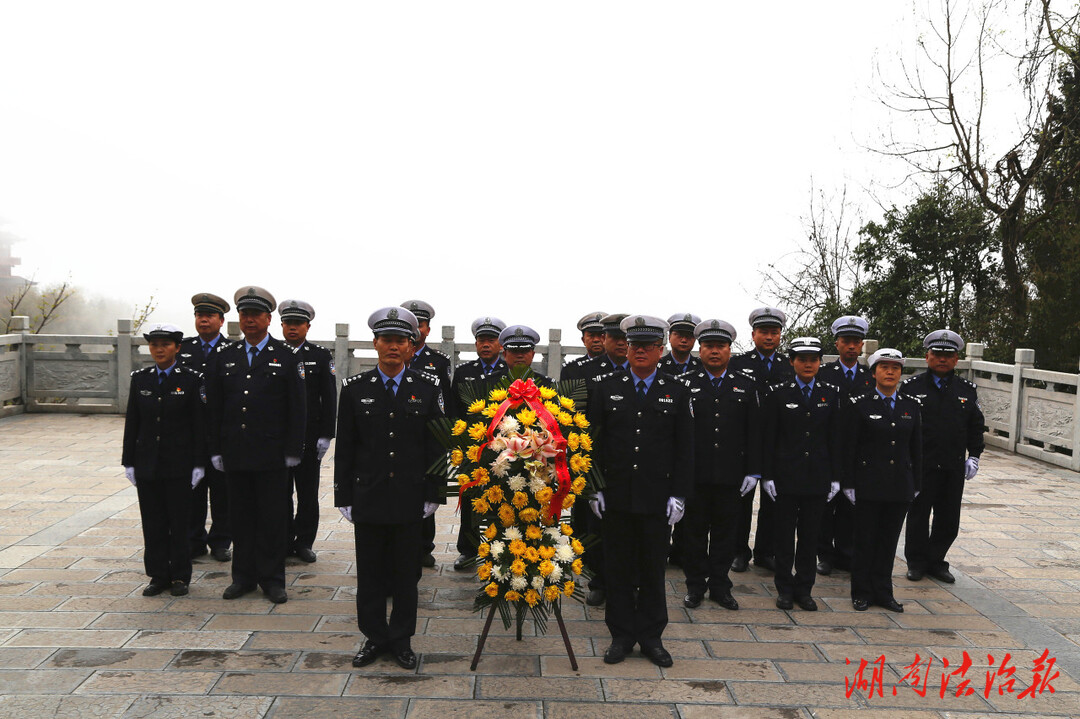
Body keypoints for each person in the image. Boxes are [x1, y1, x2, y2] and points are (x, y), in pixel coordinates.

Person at [335, 306, 445, 670]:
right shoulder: (354, 389)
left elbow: (436, 446)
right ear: (375, 344)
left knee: (405, 573)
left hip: (410, 496)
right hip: (369, 494)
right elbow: (346, 447)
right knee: (370, 572)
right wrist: (342, 496)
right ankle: (374, 637)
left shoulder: (427, 388)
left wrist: (434, 493)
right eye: (387, 340)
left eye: (401, 340)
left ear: (411, 347)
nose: (393, 347)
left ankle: (400, 639)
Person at [588, 315, 693, 668]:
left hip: (656, 497)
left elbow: (684, 449)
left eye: (649, 346)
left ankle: (651, 636)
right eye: (635, 345)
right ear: (627, 348)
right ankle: (620, 635)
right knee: (616, 567)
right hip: (615, 496)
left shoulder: (676, 390)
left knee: (652, 569)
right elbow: (593, 444)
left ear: (661, 350)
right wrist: (594, 488)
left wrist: (678, 494)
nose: (641, 351)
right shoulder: (605, 387)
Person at [206, 286, 306, 604]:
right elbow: (215, 407)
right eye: (244, 314)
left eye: (255, 315)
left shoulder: (287, 357)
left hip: (272, 454)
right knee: (241, 517)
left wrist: (293, 450)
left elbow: (298, 408)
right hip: (236, 452)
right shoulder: (225, 357)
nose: (249, 320)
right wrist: (216, 449)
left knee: (273, 518)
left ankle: (273, 579)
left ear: (268, 319)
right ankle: (243, 577)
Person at [680, 319, 759, 612]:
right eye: (709, 346)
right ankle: (695, 587)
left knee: (726, 536)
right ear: (700, 349)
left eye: (721, 346)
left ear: (730, 350)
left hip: (731, 475)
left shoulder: (745, 385)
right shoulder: (684, 383)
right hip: (695, 475)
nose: (715, 351)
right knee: (694, 536)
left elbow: (754, 432)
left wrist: (753, 470)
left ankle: (720, 587)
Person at [122, 323, 206, 598]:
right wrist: (129, 462)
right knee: (153, 522)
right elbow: (133, 422)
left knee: (179, 522)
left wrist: (198, 463)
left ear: (177, 348)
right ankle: (158, 575)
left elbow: (198, 425)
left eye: (165, 344)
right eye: (154, 344)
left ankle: (180, 575)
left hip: (179, 463)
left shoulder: (192, 379)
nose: (159, 349)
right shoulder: (141, 378)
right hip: (148, 462)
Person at [760, 337, 843, 612]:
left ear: (820, 362)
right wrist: (768, 475)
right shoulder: (778, 392)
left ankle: (805, 588)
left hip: (817, 476)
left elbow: (835, 439)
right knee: (783, 537)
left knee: (810, 537)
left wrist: (835, 476)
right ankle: (784, 589)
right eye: (802, 359)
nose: (808, 364)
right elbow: (769, 436)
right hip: (785, 476)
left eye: (813, 359)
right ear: (792, 362)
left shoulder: (830, 393)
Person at [842, 348, 922, 613]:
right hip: (868, 484)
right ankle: (861, 592)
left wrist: (916, 483)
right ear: (874, 372)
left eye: (895, 368)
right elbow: (850, 446)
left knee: (888, 542)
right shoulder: (860, 404)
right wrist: (849, 482)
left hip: (899, 484)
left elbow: (916, 448)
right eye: (884, 367)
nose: (890, 372)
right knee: (864, 540)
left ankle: (884, 593)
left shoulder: (911, 406)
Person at [903, 330, 984, 584]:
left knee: (948, 518)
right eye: (937, 354)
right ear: (927, 357)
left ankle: (936, 561)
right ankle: (916, 562)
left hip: (952, 465)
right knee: (918, 515)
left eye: (948, 355)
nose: (942, 359)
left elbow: (975, 425)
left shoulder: (966, 390)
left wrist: (975, 456)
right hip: (921, 464)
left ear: (956, 359)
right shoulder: (911, 387)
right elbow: (903, 426)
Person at [729, 307, 794, 573]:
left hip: (780, 441)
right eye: (763, 332)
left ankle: (767, 551)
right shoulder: (738, 364)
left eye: (774, 332)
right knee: (741, 500)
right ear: (753, 334)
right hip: (745, 439)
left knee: (774, 499)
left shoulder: (787, 364)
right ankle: (738, 551)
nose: (769, 337)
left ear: (780, 335)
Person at [278, 299, 337, 564]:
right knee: (279, 493)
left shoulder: (320, 356)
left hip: (310, 437)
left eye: (298, 324)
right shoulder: (274, 353)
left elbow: (329, 397)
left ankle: (304, 542)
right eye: (288, 323)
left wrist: (326, 434)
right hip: (277, 437)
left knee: (307, 493)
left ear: (307, 326)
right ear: (281, 325)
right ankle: (282, 540)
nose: (292, 328)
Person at [177, 292, 233, 562]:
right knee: (192, 490)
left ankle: (221, 541)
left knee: (222, 491)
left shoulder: (232, 350)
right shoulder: (183, 348)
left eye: (209, 316)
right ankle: (193, 540)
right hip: (190, 431)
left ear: (221, 321)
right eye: (200, 315)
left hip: (221, 430)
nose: (204, 320)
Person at [816, 315, 874, 576]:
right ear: (837, 344)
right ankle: (824, 555)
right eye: (846, 341)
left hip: (860, 451)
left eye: (856, 342)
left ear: (862, 345)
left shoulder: (870, 376)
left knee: (852, 506)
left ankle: (846, 553)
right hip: (828, 447)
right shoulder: (824, 373)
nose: (851, 346)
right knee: (826, 505)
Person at [448, 316, 507, 570]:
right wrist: (455, 443)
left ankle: (500, 549)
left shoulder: (508, 372)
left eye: (491, 340)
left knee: (503, 498)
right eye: (481, 340)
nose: (486, 345)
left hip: (504, 448)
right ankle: (469, 550)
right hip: (472, 448)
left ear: (501, 345)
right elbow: (454, 410)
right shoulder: (464, 372)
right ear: (475, 344)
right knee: (472, 500)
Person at [401, 300, 452, 386]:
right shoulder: (394, 356)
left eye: (419, 326)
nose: (415, 330)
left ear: (428, 330)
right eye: (412, 326)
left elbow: (445, 395)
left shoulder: (440, 360)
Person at [561, 312, 607, 381]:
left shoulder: (619, 367)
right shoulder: (571, 369)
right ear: (583, 340)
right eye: (591, 335)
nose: (596, 340)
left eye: (601, 335)